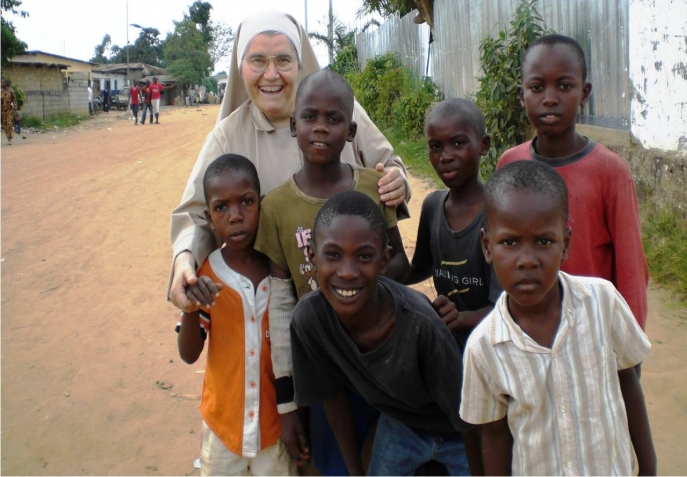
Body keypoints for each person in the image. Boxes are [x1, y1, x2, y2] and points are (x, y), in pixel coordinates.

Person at [169, 11, 409, 310]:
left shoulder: (340, 111)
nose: (271, 75)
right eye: (258, 61)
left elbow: (389, 167)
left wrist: (398, 182)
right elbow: (195, 215)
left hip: (358, 299)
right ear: (241, 69)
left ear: (299, 65)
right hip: (273, 304)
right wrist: (184, 262)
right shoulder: (226, 136)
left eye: (283, 60)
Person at [254, 69, 409, 475]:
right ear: (293, 125)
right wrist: (288, 405)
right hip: (319, 371)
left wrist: (356, 301)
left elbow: (400, 266)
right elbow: (283, 306)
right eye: (310, 117)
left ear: (352, 129)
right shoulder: (275, 207)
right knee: (332, 465)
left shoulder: (375, 188)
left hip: (382, 363)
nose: (321, 127)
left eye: (334, 118)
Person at [460, 159, 656, 476]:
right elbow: (493, 435)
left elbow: (628, 382)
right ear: (487, 246)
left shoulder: (602, 302)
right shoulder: (483, 348)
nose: (527, 260)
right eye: (509, 243)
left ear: (565, 244)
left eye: (544, 242)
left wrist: (648, 468)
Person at [290, 191, 480, 476]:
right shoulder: (309, 320)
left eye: (364, 256)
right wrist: (356, 473)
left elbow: (467, 420)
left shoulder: (420, 325)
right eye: (332, 255)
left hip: (455, 431)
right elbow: (332, 396)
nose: (348, 272)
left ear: (384, 259)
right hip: (402, 425)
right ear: (311, 256)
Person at [497, 34, 649, 329]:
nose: (550, 98)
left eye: (564, 86)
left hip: (591, 332)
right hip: (525, 331)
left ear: (584, 93)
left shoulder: (610, 172)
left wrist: (629, 354)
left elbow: (631, 270)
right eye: (537, 87)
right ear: (521, 95)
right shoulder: (509, 165)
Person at [176, 154, 297, 476]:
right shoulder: (206, 275)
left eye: (246, 202)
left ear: (262, 203)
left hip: (276, 429)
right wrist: (189, 307)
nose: (235, 216)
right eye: (222, 208)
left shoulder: (284, 276)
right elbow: (189, 354)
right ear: (209, 217)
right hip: (222, 430)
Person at [403, 98, 501, 350]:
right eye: (436, 146)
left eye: (458, 143)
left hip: (495, 350)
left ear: (483, 145)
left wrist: (462, 318)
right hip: (451, 350)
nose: (445, 156)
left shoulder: (499, 213)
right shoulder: (433, 206)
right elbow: (420, 267)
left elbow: (509, 307)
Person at [1, 77, 17, 145]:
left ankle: (10, 137)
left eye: (3, 82)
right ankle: (8, 138)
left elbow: (14, 99)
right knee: (4, 125)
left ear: (6, 83)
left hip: (9, 109)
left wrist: (14, 106)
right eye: (1, 82)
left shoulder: (10, 91)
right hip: (2, 111)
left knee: (9, 123)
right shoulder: (0, 92)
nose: (2, 84)